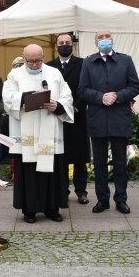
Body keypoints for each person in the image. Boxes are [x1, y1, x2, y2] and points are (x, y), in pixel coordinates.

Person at [3, 44, 73, 222]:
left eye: (38, 60)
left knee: (52, 171)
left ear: (43, 57)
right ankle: (30, 210)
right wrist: (27, 98)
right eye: (30, 61)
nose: (34, 64)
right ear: (24, 58)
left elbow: (67, 96)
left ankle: (52, 209)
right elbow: (8, 98)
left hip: (49, 129)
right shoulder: (15, 75)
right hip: (27, 131)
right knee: (29, 172)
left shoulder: (54, 73)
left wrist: (57, 105)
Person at [78, 29, 139, 215]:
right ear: (95, 42)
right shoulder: (88, 62)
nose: (104, 40)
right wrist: (100, 97)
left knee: (120, 163)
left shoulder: (125, 60)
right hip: (97, 119)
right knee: (99, 164)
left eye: (107, 37)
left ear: (112, 40)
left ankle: (121, 199)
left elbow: (135, 86)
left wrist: (118, 96)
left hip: (119, 118)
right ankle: (102, 199)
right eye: (100, 38)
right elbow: (82, 89)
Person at [47, 33, 91, 205]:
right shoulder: (49, 67)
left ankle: (81, 191)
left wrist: (76, 107)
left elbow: (86, 87)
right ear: (56, 45)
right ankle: (62, 190)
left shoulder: (83, 64)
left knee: (80, 157)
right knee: (61, 157)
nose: (64, 45)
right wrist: (59, 108)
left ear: (72, 45)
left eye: (67, 42)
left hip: (78, 116)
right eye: (61, 43)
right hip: (57, 118)